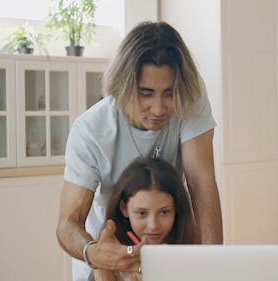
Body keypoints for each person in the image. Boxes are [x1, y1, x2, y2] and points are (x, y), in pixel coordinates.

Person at [56, 21, 223, 281]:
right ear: (122, 86)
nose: (159, 108)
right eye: (146, 93)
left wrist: (214, 268)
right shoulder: (90, 131)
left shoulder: (189, 96)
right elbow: (68, 223)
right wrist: (95, 253)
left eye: (169, 93)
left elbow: (201, 184)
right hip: (107, 263)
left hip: (169, 259)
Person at [93, 157, 199, 281]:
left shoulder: (192, 258)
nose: (153, 225)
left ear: (177, 209)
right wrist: (103, 272)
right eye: (142, 213)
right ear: (124, 208)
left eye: (164, 212)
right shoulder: (109, 260)